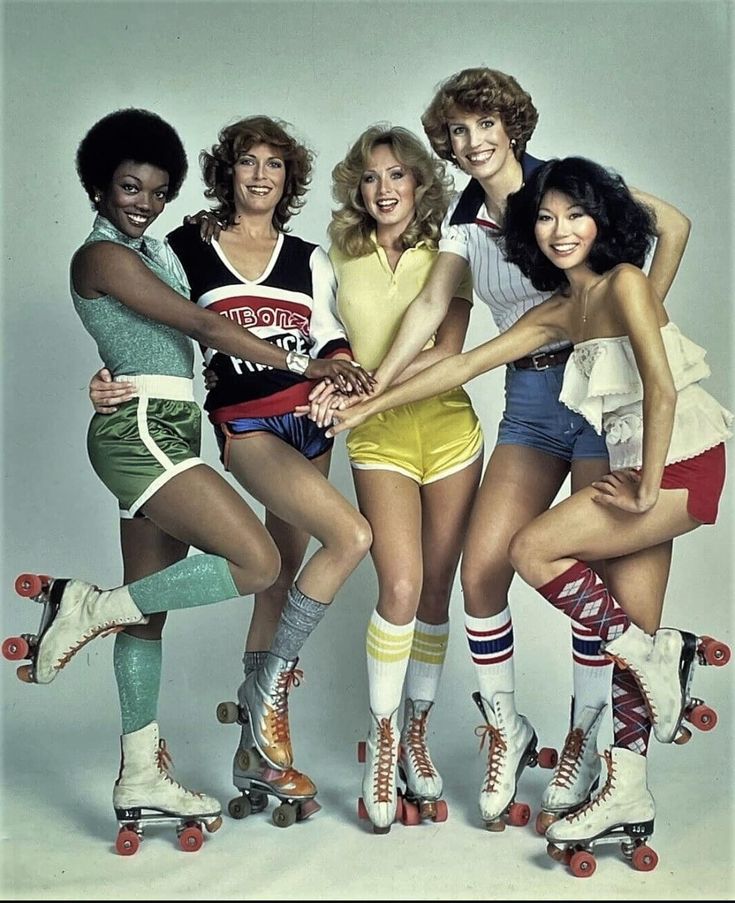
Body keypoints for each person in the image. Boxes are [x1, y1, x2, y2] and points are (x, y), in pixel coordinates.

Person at [312, 67, 693, 831]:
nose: (472, 141)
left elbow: (673, 226)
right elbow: (431, 309)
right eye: (456, 130)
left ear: (512, 125)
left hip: (598, 393)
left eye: (485, 125)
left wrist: (635, 317)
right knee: (483, 570)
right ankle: (505, 728)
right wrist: (371, 388)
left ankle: (587, 738)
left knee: (600, 573)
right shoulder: (458, 217)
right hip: (526, 392)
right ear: (445, 144)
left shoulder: (563, 187)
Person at [4, 108, 373, 851]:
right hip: (144, 432)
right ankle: (85, 604)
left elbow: (160, 321)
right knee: (257, 561)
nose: (141, 200)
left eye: (155, 189)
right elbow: (200, 328)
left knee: (146, 615)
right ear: (97, 186)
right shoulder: (105, 257)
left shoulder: (158, 249)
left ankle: (139, 771)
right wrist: (301, 365)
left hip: (167, 427)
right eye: (128, 186)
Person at [305, 124, 483, 833]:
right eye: (372, 177)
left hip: (449, 433)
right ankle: (381, 741)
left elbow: (447, 349)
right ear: (358, 187)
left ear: (420, 185)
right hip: (374, 436)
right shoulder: (331, 263)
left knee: (436, 589)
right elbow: (310, 336)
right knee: (400, 586)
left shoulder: (451, 255)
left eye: (398, 176)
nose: (384, 189)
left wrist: (369, 384)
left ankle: (416, 729)